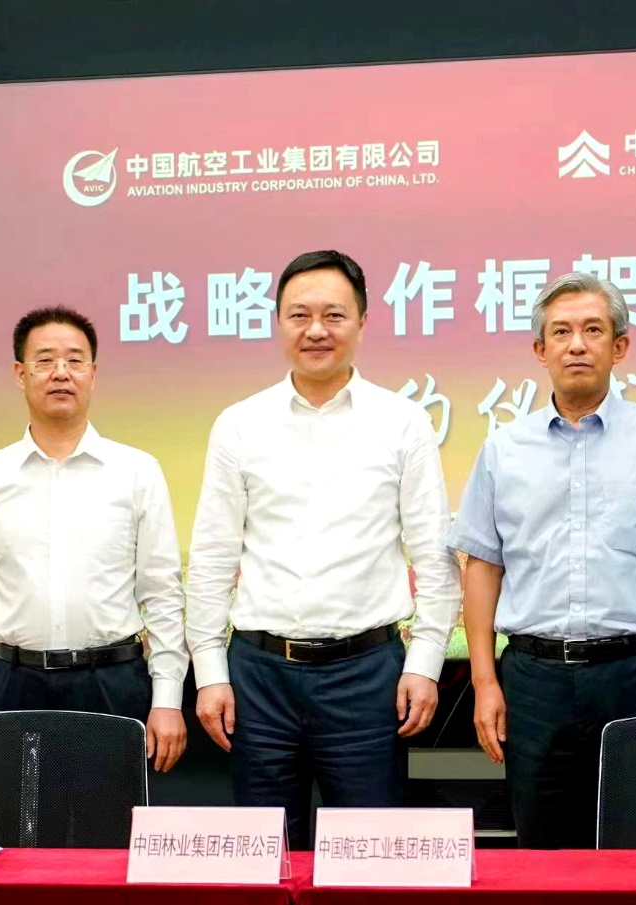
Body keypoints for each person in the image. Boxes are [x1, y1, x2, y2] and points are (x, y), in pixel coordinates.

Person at [185, 249, 460, 849]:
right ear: (278, 323)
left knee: (368, 858)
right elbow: (211, 558)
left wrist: (424, 664)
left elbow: (433, 556)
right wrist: (208, 672)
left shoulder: (402, 422)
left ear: (362, 322)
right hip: (259, 677)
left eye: (333, 315)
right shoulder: (239, 424)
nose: (316, 330)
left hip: (367, 676)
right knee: (265, 858)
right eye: (299, 315)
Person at [447, 272, 636, 849]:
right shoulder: (504, 449)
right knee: (544, 851)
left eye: (593, 330)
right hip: (534, 680)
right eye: (561, 332)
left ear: (620, 346)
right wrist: (485, 681)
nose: (577, 345)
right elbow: (483, 565)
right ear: (539, 350)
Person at [0, 306, 189, 774]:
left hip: (111, 684)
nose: (61, 372)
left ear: (93, 374)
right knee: (21, 819)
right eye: (44, 360)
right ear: (20, 374)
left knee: (111, 818)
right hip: (13, 687)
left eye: (75, 360)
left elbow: (162, 594)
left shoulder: (137, 472)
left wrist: (166, 699)